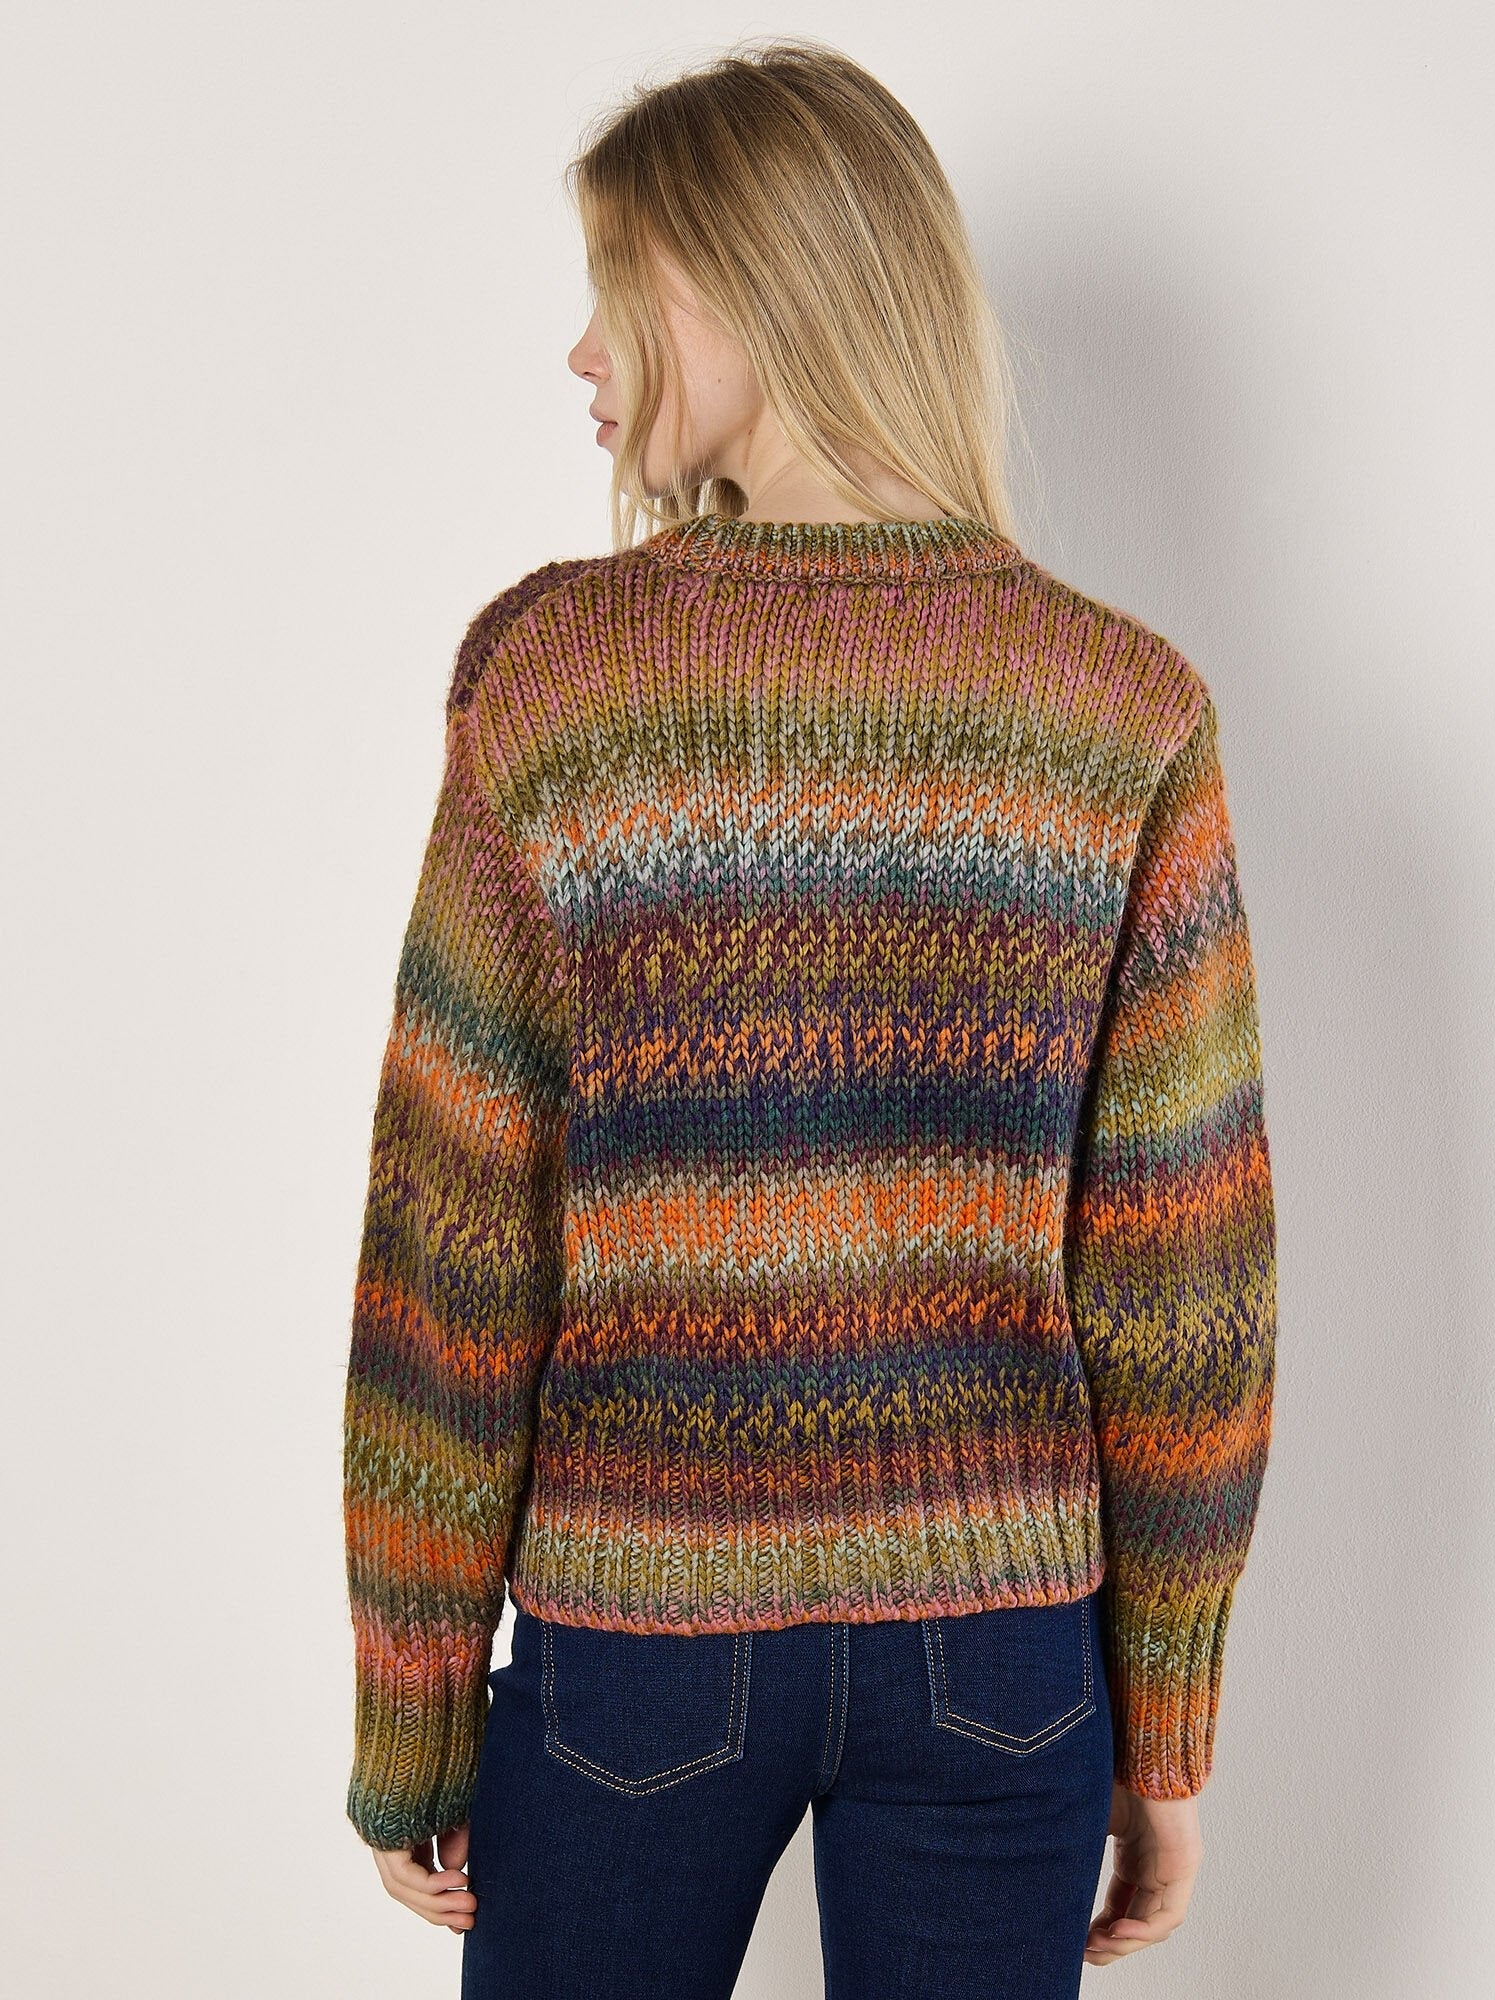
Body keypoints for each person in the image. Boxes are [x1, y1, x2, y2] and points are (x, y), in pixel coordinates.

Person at [341, 35, 1277, 2000]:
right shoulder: (1119, 707)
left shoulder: (557, 681)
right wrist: (1166, 1733)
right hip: (1005, 1650)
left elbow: (454, 1233)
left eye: (616, 290)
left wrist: (413, 1700)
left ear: (743, 292)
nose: (583, 355)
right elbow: (1185, 1279)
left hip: (641, 1625)